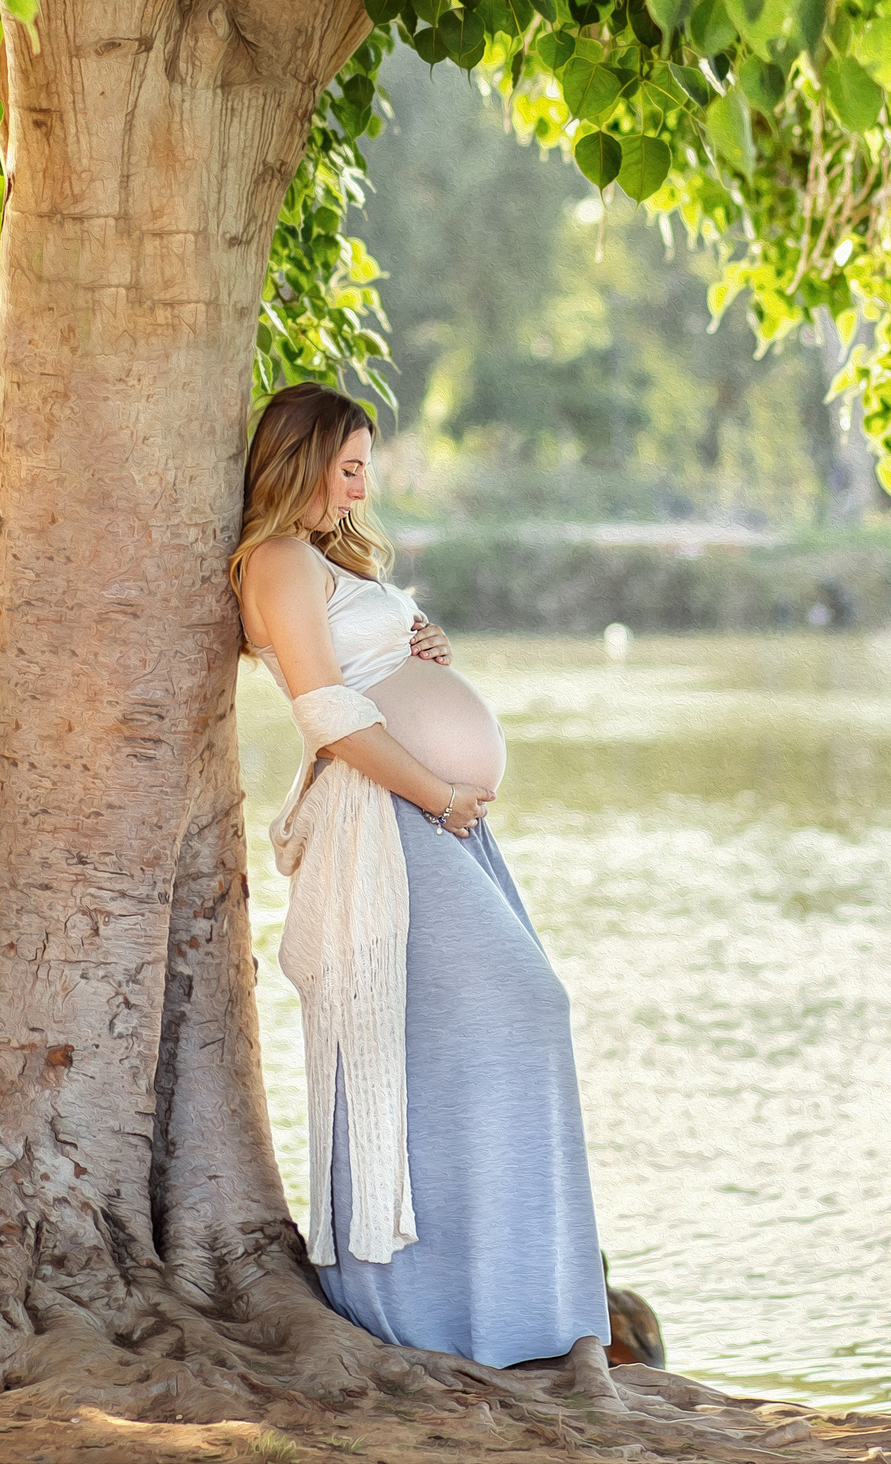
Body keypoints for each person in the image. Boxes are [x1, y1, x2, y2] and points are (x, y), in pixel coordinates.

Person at [232, 381, 611, 1372]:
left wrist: (425, 652)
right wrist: (436, 792)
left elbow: (370, 672)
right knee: (519, 1004)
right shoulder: (274, 558)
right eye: (348, 467)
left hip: (437, 821)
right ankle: (428, 1304)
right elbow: (324, 708)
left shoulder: (324, 559)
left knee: (463, 1031)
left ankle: (512, 1302)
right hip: (390, 820)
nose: (360, 489)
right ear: (302, 462)